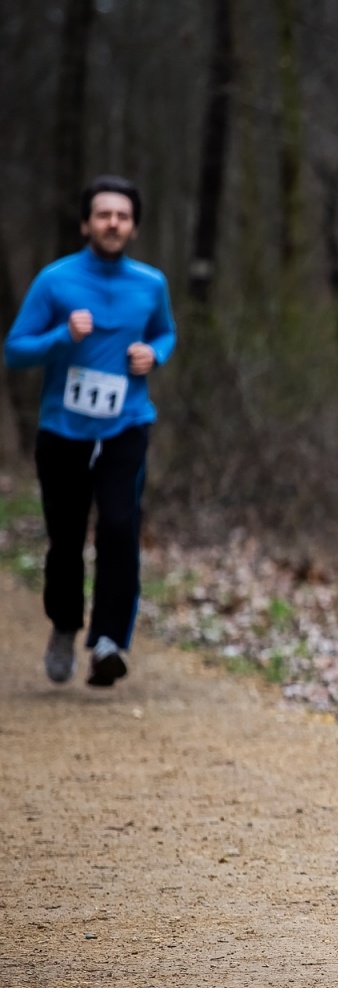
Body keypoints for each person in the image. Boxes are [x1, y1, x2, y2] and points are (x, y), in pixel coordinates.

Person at [4, 175, 175, 687]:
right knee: (66, 539)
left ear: (134, 227)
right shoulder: (55, 281)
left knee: (121, 528)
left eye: (122, 216)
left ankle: (108, 642)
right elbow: (15, 350)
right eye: (103, 214)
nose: (113, 223)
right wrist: (61, 335)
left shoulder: (151, 284)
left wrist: (155, 354)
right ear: (86, 224)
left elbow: (165, 331)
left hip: (127, 425)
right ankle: (63, 625)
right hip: (63, 430)